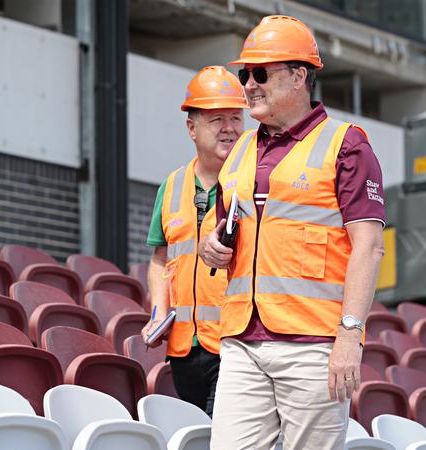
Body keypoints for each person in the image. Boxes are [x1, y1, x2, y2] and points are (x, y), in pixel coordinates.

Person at [198, 15, 386, 449]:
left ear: (299, 76)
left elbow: (369, 247)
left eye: (260, 73)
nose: (248, 84)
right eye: (245, 74)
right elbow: (222, 225)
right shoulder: (241, 149)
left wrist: (349, 337)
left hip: (313, 345)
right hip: (243, 338)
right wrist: (212, 247)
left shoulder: (346, 145)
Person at [141, 66, 248, 416]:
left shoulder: (252, 185)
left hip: (234, 345)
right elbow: (159, 258)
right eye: (218, 119)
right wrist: (159, 310)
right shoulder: (171, 187)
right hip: (184, 349)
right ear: (192, 127)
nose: (230, 128)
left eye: (236, 117)